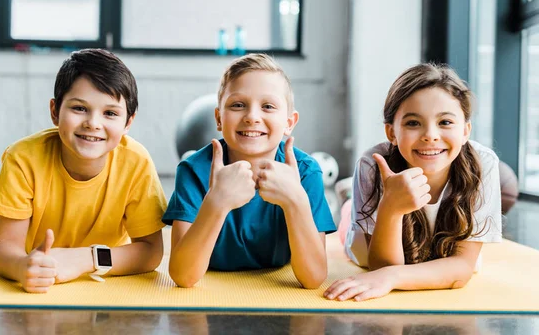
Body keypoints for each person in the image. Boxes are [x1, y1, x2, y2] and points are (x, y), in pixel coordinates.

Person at [0, 49, 167, 293]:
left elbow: (151, 251)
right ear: (55, 111)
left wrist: (85, 259)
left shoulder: (137, 163)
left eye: (110, 113)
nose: (93, 123)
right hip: (39, 265)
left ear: (128, 123)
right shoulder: (23, 158)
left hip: (104, 273)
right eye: (79, 108)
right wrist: (22, 266)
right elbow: (4, 246)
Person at [325, 63, 501, 302]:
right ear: (391, 133)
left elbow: (461, 268)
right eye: (413, 123)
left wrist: (392, 278)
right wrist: (391, 208)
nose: (430, 135)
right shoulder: (372, 164)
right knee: (348, 223)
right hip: (372, 239)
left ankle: (350, 194)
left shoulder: (484, 163)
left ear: (466, 131)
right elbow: (380, 267)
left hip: (440, 247)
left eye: (445, 122)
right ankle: (350, 200)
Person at [163, 53, 337, 288]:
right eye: (237, 105)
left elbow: (314, 278)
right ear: (218, 118)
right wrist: (217, 202)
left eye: (268, 106)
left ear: (289, 122)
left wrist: (295, 200)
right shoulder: (193, 170)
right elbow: (183, 276)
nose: (252, 117)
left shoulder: (306, 172)